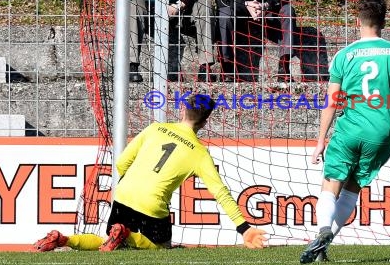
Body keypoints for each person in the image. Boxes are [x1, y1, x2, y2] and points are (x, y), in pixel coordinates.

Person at [33, 94, 267, 252]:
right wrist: (243, 228)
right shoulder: (199, 152)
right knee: (161, 247)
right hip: (151, 204)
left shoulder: (155, 128)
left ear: (182, 110)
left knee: (108, 242)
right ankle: (126, 234)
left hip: (124, 194)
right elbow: (221, 193)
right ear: (205, 123)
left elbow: (122, 162)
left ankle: (64, 239)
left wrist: (131, 184)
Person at [300, 0, 390, 264]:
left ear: (357, 22)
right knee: (353, 188)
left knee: (331, 185)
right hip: (382, 134)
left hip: (349, 130)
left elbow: (331, 101)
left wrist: (320, 140)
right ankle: (323, 249)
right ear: (383, 22)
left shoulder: (343, 56)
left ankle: (323, 230)